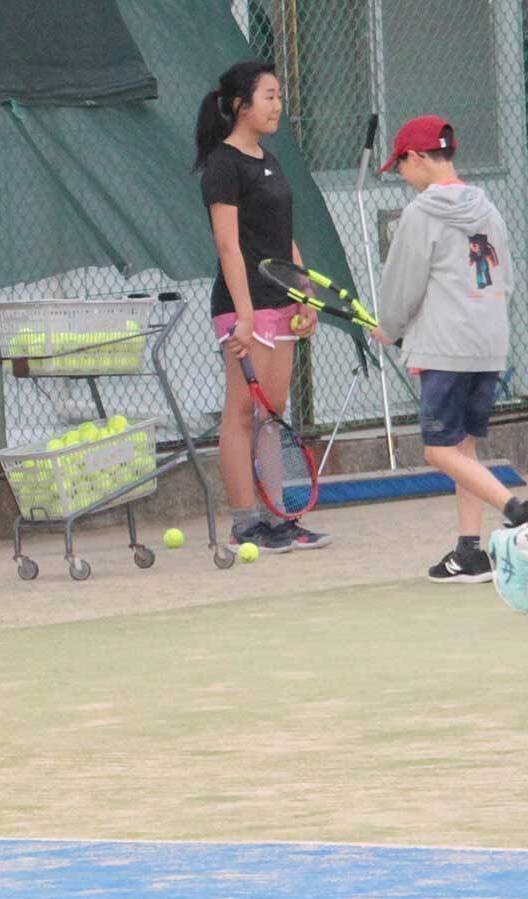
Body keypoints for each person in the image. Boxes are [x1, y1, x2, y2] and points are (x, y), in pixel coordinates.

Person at [368, 115, 528, 600]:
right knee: (464, 448)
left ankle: (521, 511)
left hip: (446, 347)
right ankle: (468, 552)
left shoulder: (420, 214)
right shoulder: (489, 208)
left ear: (417, 157)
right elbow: (506, 280)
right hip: (489, 345)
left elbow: (402, 284)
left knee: (437, 449)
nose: (402, 175)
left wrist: (390, 328)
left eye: (401, 165)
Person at [195, 60, 330, 554]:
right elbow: (228, 245)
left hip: (280, 302)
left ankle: (277, 518)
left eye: (279, 95)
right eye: (268, 96)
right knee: (241, 413)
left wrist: (303, 293)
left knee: (272, 413)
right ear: (240, 105)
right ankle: (244, 523)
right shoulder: (223, 164)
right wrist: (246, 315)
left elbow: (282, 237)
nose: (277, 105)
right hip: (241, 306)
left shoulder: (269, 160)